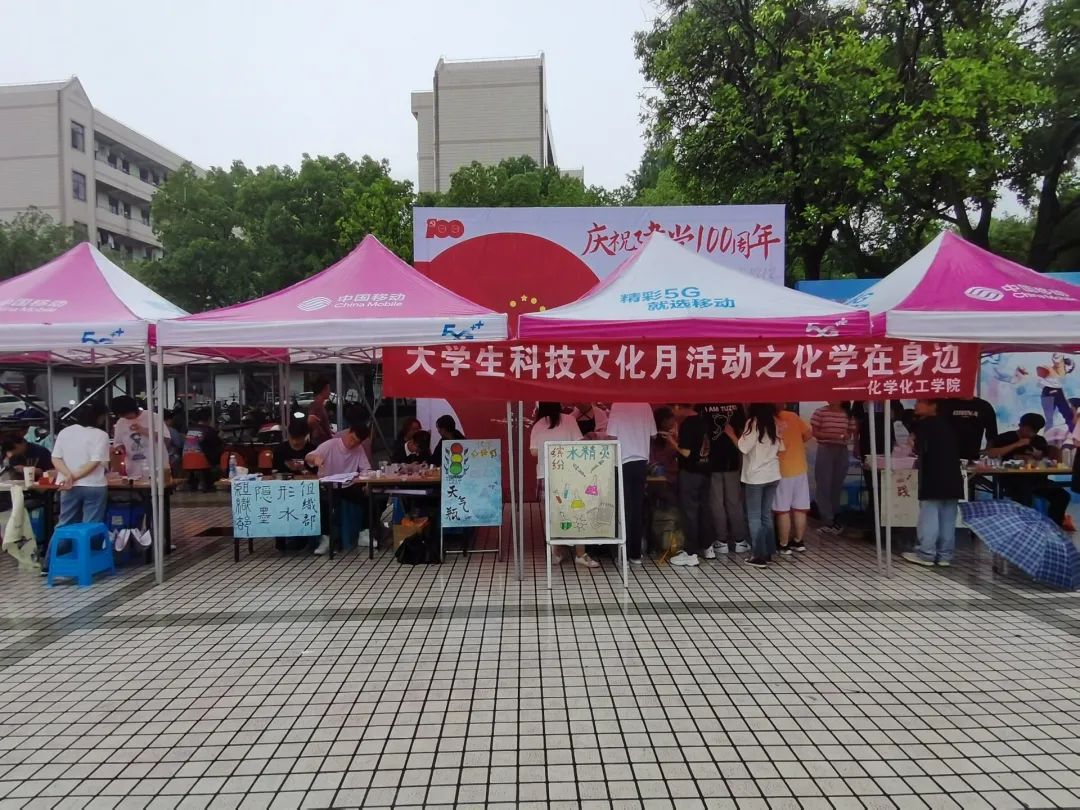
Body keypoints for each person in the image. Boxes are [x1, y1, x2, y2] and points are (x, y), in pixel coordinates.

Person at [529, 402, 598, 569]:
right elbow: (579, 444)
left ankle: (556, 552)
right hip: (571, 475)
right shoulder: (569, 420)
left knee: (552, 515)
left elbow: (533, 451)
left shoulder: (538, 425)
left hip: (546, 475)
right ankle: (580, 554)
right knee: (578, 512)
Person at [902, 399, 964, 567]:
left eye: (920, 402)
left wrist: (913, 442)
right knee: (948, 518)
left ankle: (926, 553)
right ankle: (945, 555)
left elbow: (921, 448)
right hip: (953, 476)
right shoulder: (951, 424)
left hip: (933, 475)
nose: (916, 405)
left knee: (929, 516)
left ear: (933, 406)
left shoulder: (925, 425)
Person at [306, 417, 373, 555]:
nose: (352, 443)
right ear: (349, 432)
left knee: (369, 497)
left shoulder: (358, 449)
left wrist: (366, 483)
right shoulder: (331, 444)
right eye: (352, 439)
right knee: (326, 504)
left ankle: (364, 532)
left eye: (357, 442)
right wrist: (315, 459)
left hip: (348, 485)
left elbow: (366, 469)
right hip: (329, 485)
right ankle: (326, 538)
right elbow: (308, 457)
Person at [989, 413, 1070, 527]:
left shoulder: (1039, 440)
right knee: (1024, 493)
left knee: (1062, 496)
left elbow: (1047, 458)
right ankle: (1023, 526)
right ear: (1020, 426)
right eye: (1028, 430)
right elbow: (991, 453)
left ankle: (1053, 527)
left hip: (1037, 481)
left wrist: (1039, 456)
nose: (1031, 434)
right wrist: (1016, 445)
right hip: (1012, 481)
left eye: (1035, 431)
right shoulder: (1005, 438)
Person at [605, 402, 656, 565]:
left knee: (623, 508)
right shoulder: (646, 405)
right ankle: (635, 554)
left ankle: (623, 553)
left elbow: (611, 435)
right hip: (641, 461)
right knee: (637, 508)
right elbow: (653, 434)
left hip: (622, 461)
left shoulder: (617, 405)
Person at [734, 404, 783, 569]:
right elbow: (781, 448)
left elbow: (743, 447)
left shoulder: (752, 423)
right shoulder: (774, 422)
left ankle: (758, 555)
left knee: (754, 516)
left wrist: (731, 434)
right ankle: (768, 553)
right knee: (766, 515)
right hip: (773, 474)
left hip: (756, 477)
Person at [698, 402, 749, 556]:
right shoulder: (736, 403)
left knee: (716, 502)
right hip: (731, 459)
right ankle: (740, 540)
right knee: (734, 502)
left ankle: (721, 541)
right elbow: (743, 431)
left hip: (712, 459)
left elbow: (699, 430)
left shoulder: (703, 403)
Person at [51, 402, 111, 529]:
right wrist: (72, 477)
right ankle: (87, 544)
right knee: (91, 526)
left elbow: (56, 458)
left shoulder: (64, 432)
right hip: (94, 484)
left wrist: (68, 476)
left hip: (68, 485)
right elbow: (95, 462)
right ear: (97, 417)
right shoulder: (101, 435)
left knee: (65, 524)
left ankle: (60, 543)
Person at [668, 404, 712, 567]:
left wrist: (672, 442)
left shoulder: (688, 424)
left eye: (673, 409)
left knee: (689, 512)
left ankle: (690, 553)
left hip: (690, 472)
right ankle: (707, 547)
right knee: (704, 509)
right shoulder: (704, 421)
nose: (673, 413)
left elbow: (686, 452)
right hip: (705, 471)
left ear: (678, 406)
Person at [773, 404, 812, 555]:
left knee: (782, 509)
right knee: (800, 507)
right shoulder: (793, 416)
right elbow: (808, 434)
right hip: (800, 467)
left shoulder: (770, 419)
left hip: (782, 469)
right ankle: (798, 541)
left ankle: (783, 544)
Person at [811, 402, 853, 535]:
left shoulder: (847, 413)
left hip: (842, 450)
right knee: (823, 485)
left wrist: (846, 436)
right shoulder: (820, 412)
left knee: (837, 485)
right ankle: (827, 520)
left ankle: (835, 518)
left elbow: (851, 432)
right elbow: (815, 433)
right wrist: (834, 436)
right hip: (825, 449)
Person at [111, 395, 167, 481]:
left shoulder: (153, 417)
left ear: (133, 409)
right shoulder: (120, 423)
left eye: (127, 414)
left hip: (156, 466)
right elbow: (118, 443)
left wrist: (143, 430)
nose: (127, 417)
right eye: (123, 415)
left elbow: (166, 439)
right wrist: (120, 449)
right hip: (133, 469)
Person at [940, 396, 998, 461]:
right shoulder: (945, 405)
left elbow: (992, 434)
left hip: (972, 458)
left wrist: (987, 453)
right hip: (946, 456)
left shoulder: (984, 406)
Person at [181, 409, 223, 493]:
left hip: (186, 459)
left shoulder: (190, 429)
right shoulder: (208, 430)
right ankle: (210, 483)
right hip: (202, 460)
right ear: (209, 419)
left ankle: (193, 482)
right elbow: (216, 443)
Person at [1039, 353, 1075, 431]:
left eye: (1069, 370)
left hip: (1055, 392)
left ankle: (1072, 432)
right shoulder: (1052, 370)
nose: (1067, 371)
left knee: (1068, 415)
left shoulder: (1059, 375)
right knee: (1050, 419)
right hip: (1049, 392)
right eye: (1067, 369)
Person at [306, 377, 333, 446]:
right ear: (324, 390)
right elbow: (316, 429)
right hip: (320, 443)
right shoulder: (317, 406)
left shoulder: (319, 405)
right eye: (328, 389)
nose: (329, 392)